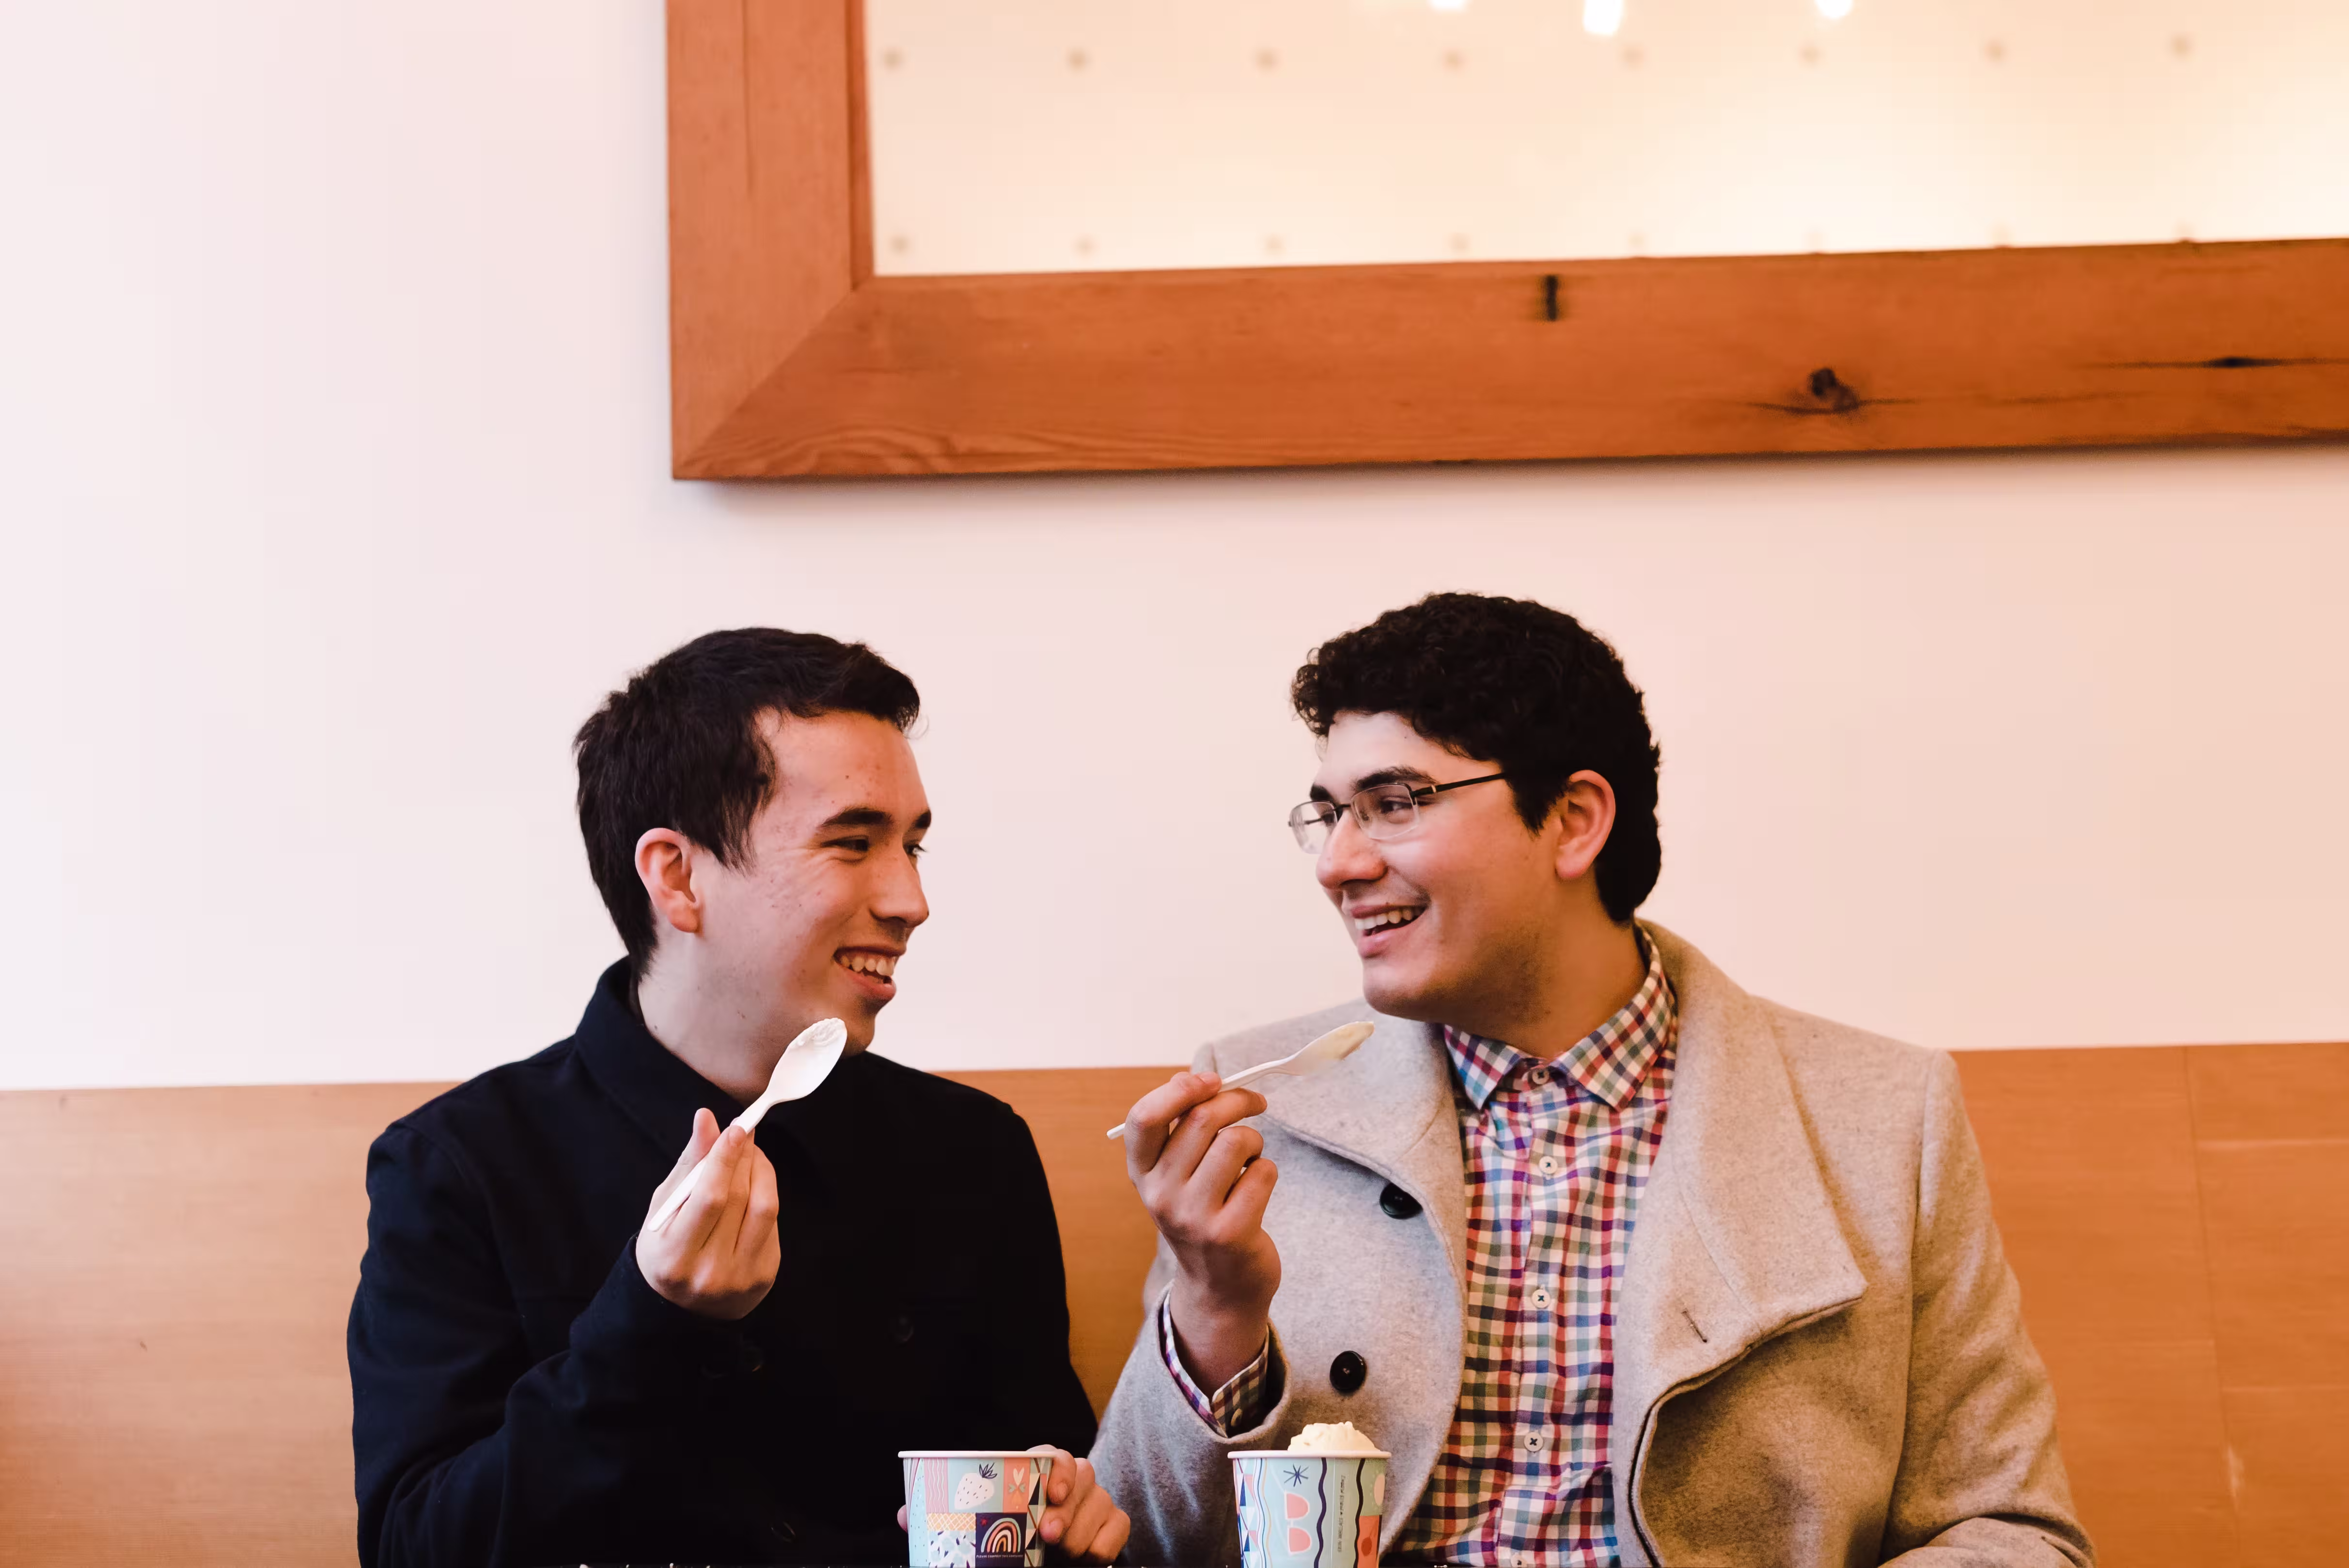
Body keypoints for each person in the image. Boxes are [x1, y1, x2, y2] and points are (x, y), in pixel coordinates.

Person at [1092, 593, 2092, 1568]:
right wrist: (1215, 1307)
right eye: (1329, 814)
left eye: (1394, 804)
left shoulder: (1881, 1116)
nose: (1338, 863)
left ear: (1574, 820)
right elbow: (1141, 1539)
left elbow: (2011, 1530)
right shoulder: (1258, 1110)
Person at [349, 628, 1129, 1568]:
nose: (912, 898)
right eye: (854, 843)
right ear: (678, 876)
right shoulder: (461, 1168)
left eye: (914, 845)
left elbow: (1049, 1478)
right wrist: (650, 1318)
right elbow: (416, 1549)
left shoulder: (975, 1154)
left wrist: (1074, 1516)